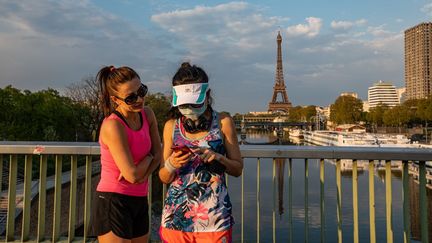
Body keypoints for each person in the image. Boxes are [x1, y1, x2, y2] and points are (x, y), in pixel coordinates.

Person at [159, 62, 243, 243]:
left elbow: (237, 169)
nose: (189, 109)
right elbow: (164, 177)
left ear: (208, 95)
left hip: (215, 219)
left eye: (194, 104)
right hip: (175, 219)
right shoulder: (170, 126)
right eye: (184, 105)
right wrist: (171, 164)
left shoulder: (223, 122)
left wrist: (219, 158)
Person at [92, 65, 161, 243]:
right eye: (131, 97)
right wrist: (148, 159)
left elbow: (158, 155)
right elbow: (131, 175)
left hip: (139, 198)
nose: (139, 99)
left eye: (141, 91)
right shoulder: (113, 126)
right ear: (116, 100)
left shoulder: (147, 114)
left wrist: (142, 168)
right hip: (114, 200)